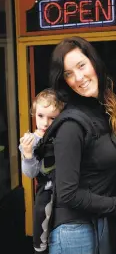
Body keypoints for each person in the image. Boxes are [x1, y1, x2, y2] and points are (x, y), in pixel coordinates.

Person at [37, 36, 116, 254]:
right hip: (74, 233)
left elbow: (113, 173)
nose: (79, 78)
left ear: (94, 62)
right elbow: (68, 195)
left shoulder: (102, 110)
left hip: (97, 225)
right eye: (69, 74)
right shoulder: (71, 125)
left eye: (81, 65)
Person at [19, 88, 64, 254]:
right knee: (40, 211)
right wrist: (28, 154)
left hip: (65, 185)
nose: (45, 123)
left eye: (52, 118)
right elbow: (30, 173)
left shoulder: (63, 136)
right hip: (46, 185)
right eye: (40, 116)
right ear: (34, 113)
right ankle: (40, 247)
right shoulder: (29, 140)